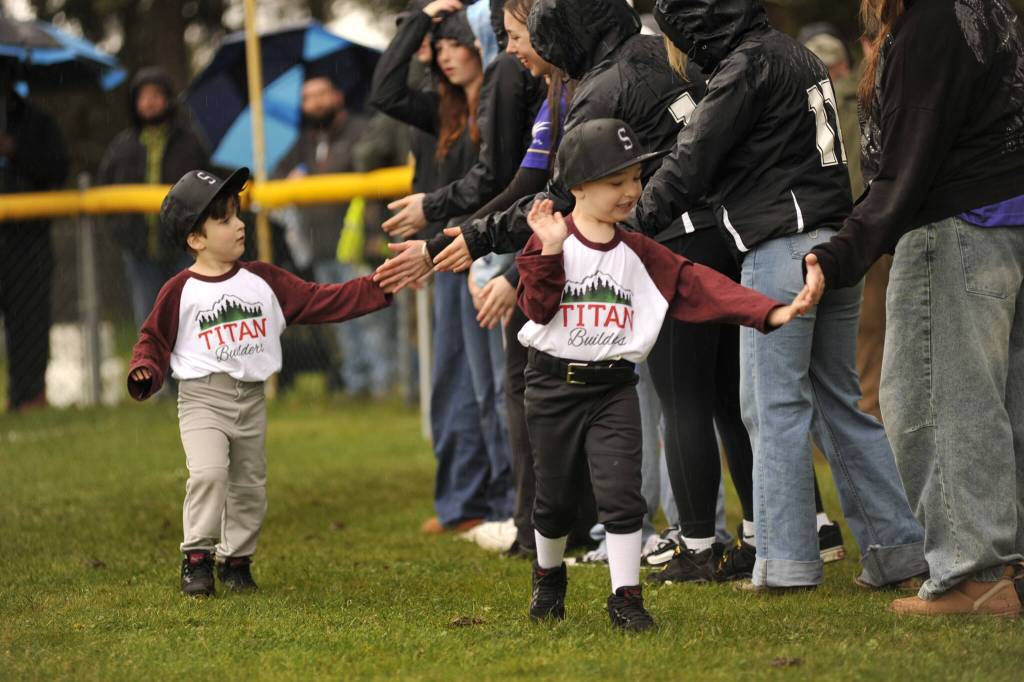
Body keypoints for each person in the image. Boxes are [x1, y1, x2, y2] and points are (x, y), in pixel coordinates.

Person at [637, 0, 927, 592]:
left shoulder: (748, 65)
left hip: (783, 251)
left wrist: (628, 226)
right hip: (835, 242)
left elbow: (691, 159)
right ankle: (897, 548)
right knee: (841, 405)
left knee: (772, 409)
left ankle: (785, 562)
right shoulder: (795, 53)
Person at [518, 119, 809, 631]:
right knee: (557, 498)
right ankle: (548, 578)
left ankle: (625, 598)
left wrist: (767, 312)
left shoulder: (638, 250)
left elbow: (697, 285)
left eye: (636, 178)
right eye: (616, 182)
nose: (632, 191)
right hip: (552, 386)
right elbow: (538, 310)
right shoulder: (551, 240)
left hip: (613, 390)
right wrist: (546, 252)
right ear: (579, 187)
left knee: (621, 494)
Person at [804, 0, 1024, 616]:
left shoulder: (933, 22)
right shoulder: (990, 10)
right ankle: (1006, 569)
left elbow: (908, 161)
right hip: (1006, 222)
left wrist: (841, 253)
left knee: (940, 401)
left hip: (956, 225)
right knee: (1005, 406)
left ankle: (970, 577)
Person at [126, 167, 390, 596]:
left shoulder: (263, 281)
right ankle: (197, 559)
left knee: (249, 485)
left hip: (250, 400)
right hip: (202, 399)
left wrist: (378, 287)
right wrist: (146, 371)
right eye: (225, 219)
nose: (239, 225)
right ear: (196, 238)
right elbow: (153, 340)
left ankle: (236, 560)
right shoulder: (179, 290)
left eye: (237, 215)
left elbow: (321, 300)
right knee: (210, 474)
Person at [370, 0, 508, 534]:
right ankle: (467, 502)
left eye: (452, 40)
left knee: (491, 386)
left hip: (492, 253)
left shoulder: (504, 96)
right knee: (461, 384)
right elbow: (383, 90)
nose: (441, 53)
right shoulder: (440, 106)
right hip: (448, 252)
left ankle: (499, 502)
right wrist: (418, 22)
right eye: (436, 42)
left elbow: (490, 184)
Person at [273, 73, 369, 394]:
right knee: (339, 321)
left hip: (357, 244)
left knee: (368, 319)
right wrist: (290, 179)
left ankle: (386, 384)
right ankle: (357, 387)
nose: (314, 103)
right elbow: (278, 175)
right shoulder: (304, 141)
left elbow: (365, 168)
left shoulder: (360, 131)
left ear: (337, 96)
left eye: (320, 94)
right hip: (319, 245)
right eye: (307, 98)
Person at [97, 67, 210, 332]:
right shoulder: (122, 146)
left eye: (156, 95)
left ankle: (189, 374)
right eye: (143, 96)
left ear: (168, 99)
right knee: (150, 323)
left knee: (191, 322)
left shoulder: (190, 142)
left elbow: (208, 184)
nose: (149, 102)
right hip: (140, 251)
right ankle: (156, 375)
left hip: (185, 248)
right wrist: (123, 232)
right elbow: (104, 192)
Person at [0, 86, 69, 412]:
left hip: (27, 241)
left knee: (29, 322)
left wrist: (16, 149)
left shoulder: (36, 123)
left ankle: (28, 397)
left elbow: (58, 168)